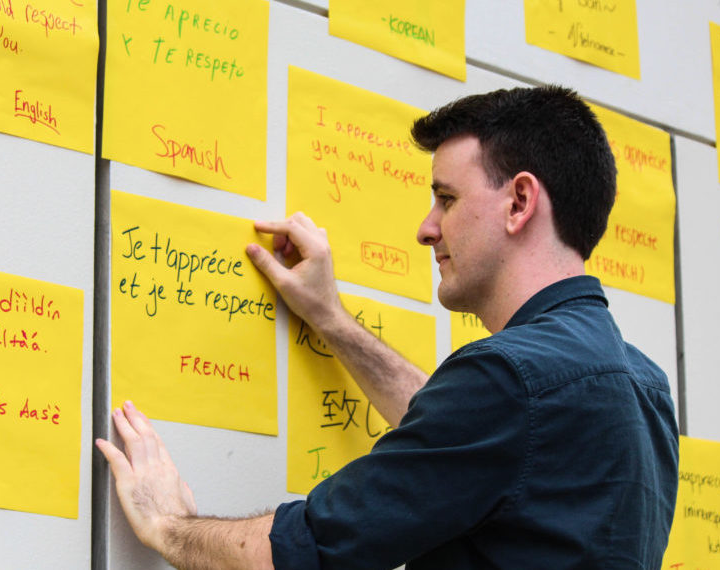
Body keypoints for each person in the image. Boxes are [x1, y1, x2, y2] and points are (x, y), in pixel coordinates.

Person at [96, 85, 679, 569]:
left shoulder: (511, 382)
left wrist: (169, 525)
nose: (426, 229)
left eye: (446, 199)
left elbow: (308, 550)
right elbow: (466, 438)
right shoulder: (642, 386)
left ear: (519, 201)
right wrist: (331, 319)